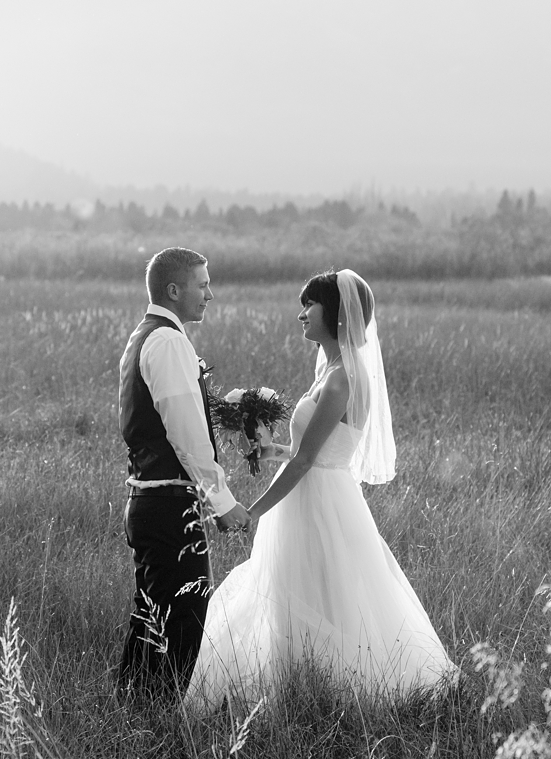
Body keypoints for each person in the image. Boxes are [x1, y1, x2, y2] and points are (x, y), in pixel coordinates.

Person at [185, 268, 456, 710]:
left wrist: (251, 511)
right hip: (315, 491)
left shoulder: (343, 377)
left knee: (321, 592)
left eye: (308, 305)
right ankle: (301, 687)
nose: (301, 315)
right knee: (303, 589)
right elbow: (310, 450)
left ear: (334, 312)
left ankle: (335, 691)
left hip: (320, 498)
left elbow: (311, 460)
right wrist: (270, 449)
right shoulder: (332, 369)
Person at [116, 247, 250, 695]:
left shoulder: (144, 335)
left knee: (153, 619)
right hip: (169, 504)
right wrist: (224, 503)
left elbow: (175, 416)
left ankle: (133, 716)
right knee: (181, 628)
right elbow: (187, 437)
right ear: (174, 290)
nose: (210, 294)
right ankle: (154, 725)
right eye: (203, 283)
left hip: (150, 500)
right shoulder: (169, 342)